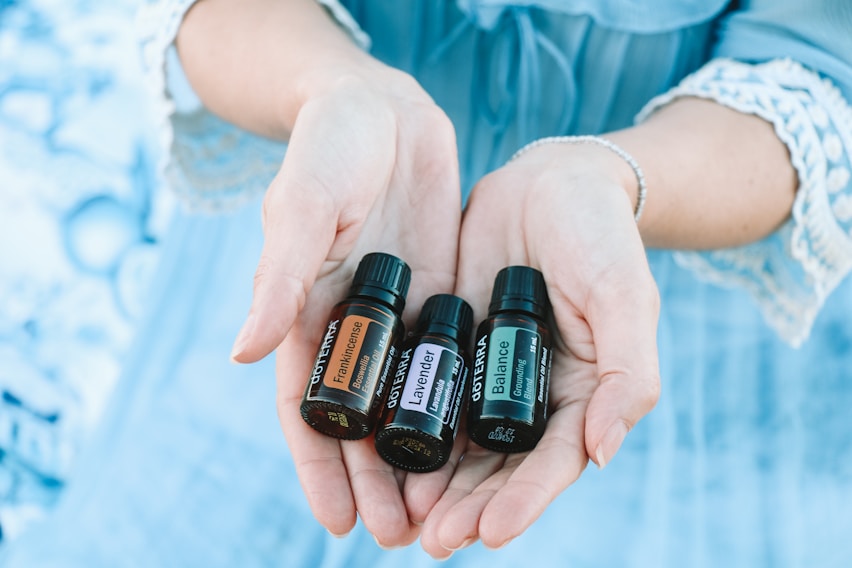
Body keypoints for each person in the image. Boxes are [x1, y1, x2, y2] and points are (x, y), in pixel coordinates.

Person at [4, 0, 852, 565]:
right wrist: (331, 87)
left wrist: (611, 182)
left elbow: (818, 63)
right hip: (336, 217)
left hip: (643, 265)